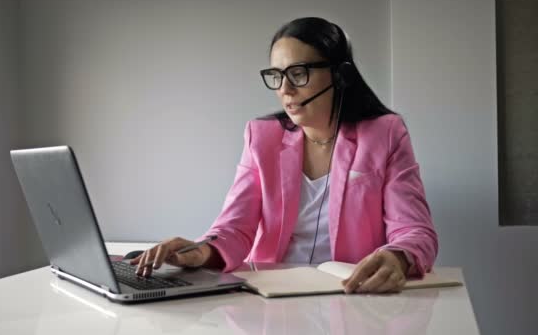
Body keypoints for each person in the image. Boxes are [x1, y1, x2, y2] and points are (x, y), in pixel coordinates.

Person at [131, 17, 438, 294]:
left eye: (298, 73)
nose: (285, 89)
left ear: (340, 75)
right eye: (276, 75)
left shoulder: (384, 134)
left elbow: (415, 230)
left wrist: (398, 257)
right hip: (271, 295)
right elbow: (235, 228)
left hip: (352, 294)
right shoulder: (262, 136)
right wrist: (200, 252)